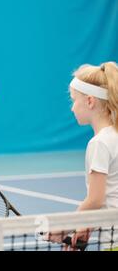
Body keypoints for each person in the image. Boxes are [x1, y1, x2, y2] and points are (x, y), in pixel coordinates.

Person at [55, 61, 118, 250]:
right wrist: (84, 225)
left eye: (74, 100)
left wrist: (65, 228)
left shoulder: (99, 144)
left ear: (90, 101)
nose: (72, 108)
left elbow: (96, 200)